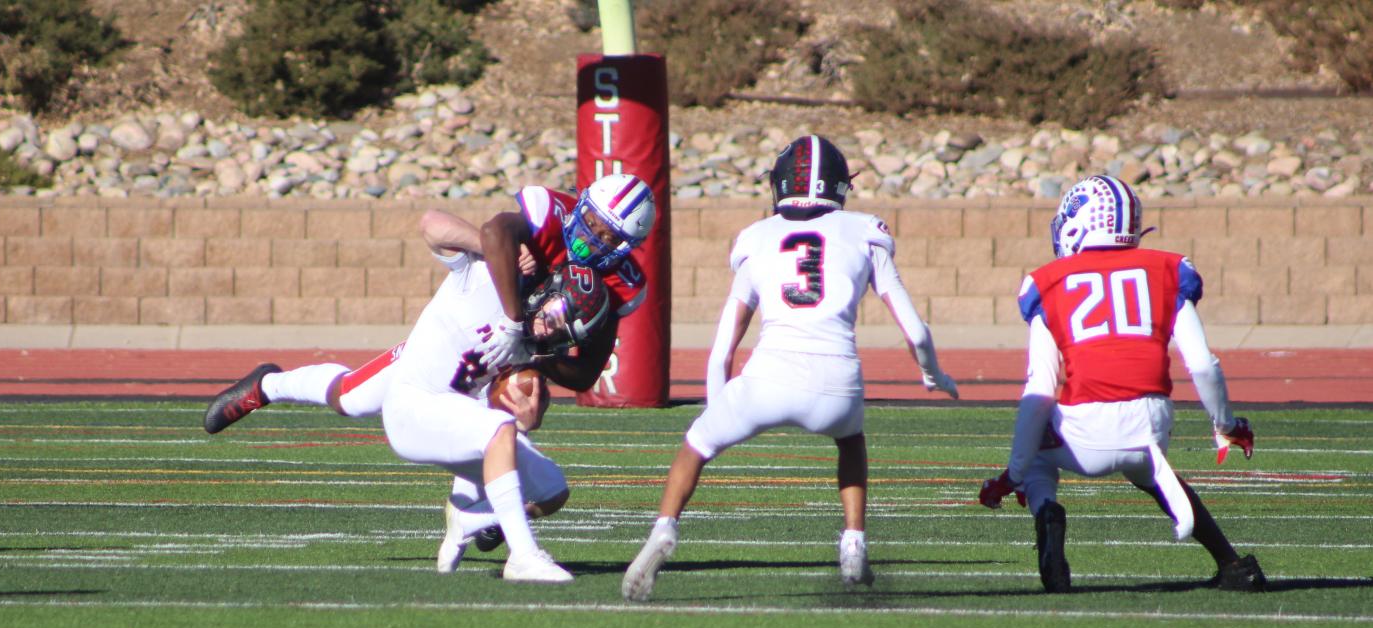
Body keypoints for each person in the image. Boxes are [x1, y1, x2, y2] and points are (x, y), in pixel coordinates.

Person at [202, 174, 656, 564]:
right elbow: (458, 227)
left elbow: (584, 374)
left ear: (628, 247)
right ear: (583, 205)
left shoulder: (617, 285)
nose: (594, 238)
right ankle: (269, 384)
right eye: (594, 222)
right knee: (353, 398)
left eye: (610, 237)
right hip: (456, 345)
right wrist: (509, 290)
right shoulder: (544, 216)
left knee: (523, 413)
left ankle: (489, 512)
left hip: (511, 356)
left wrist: (536, 351)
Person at [620, 134, 961, 602]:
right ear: (840, 185)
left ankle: (664, 529)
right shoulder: (866, 231)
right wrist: (933, 375)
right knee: (850, 441)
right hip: (838, 380)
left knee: (695, 446)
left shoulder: (757, 238)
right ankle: (854, 542)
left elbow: (724, 344)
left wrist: (720, 412)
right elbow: (917, 332)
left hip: (767, 379)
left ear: (779, 184)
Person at [977, 174, 1265, 593]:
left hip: (1085, 433)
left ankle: (1047, 513)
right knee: (1146, 466)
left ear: (1077, 224)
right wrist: (1226, 425)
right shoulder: (1170, 269)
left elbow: (1040, 387)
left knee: (1038, 454)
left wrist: (1012, 475)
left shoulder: (1047, 281)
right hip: (1151, 429)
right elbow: (1202, 364)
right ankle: (1232, 564)